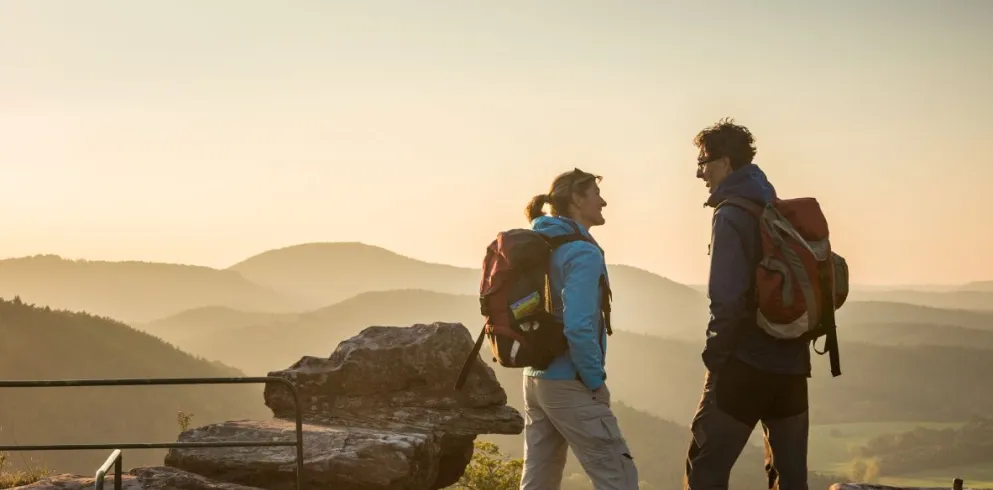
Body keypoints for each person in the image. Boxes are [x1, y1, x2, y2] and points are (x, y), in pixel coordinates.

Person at [684, 118, 810, 490]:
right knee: (790, 477)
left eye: (703, 163)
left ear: (724, 162)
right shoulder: (774, 207)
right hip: (791, 365)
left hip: (744, 364)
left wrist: (715, 359)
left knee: (705, 471)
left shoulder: (730, 214)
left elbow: (726, 299)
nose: (699, 173)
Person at [519, 168, 639, 490]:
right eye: (595, 194)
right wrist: (595, 381)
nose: (603, 202)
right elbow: (578, 326)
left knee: (538, 478)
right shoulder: (582, 252)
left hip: (535, 378)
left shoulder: (543, 239)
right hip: (569, 380)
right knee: (619, 477)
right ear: (576, 199)